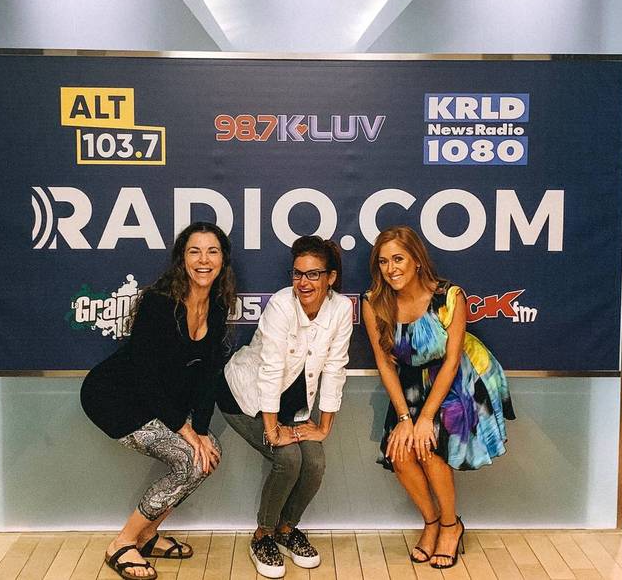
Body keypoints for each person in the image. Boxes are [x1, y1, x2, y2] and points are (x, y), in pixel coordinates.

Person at [79, 222, 235, 580]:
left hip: (156, 401)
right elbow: (145, 375)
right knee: (189, 459)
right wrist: (184, 429)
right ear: (182, 259)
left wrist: (201, 430)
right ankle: (122, 543)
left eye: (212, 251)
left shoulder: (217, 305)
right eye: (194, 251)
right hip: (114, 397)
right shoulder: (158, 303)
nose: (203, 260)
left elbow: (209, 374)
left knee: (206, 456)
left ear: (223, 260)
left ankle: (147, 536)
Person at [360, 225, 516, 570]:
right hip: (410, 382)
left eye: (398, 258)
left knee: (428, 448)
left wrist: (426, 418)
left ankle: (450, 526)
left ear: (416, 260)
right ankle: (431, 521)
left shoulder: (449, 296)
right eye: (383, 261)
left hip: (459, 378)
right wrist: (404, 418)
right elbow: (385, 366)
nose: (391, 268)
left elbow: (452, 359)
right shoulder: (373, 302)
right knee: (400, 453)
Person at [216, 236, 351, 579]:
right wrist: (272, 430)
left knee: (315, 462)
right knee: (288, 460)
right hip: (244, 397)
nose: (303, 283)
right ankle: (262, 535)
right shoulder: (280, 305)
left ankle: (286, 530)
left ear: (330, 278)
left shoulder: (341, 309)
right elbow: (270, 370)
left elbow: (335, 368)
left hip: (293, 405)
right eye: (297, 274)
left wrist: (324, 425)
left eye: (313, 275)